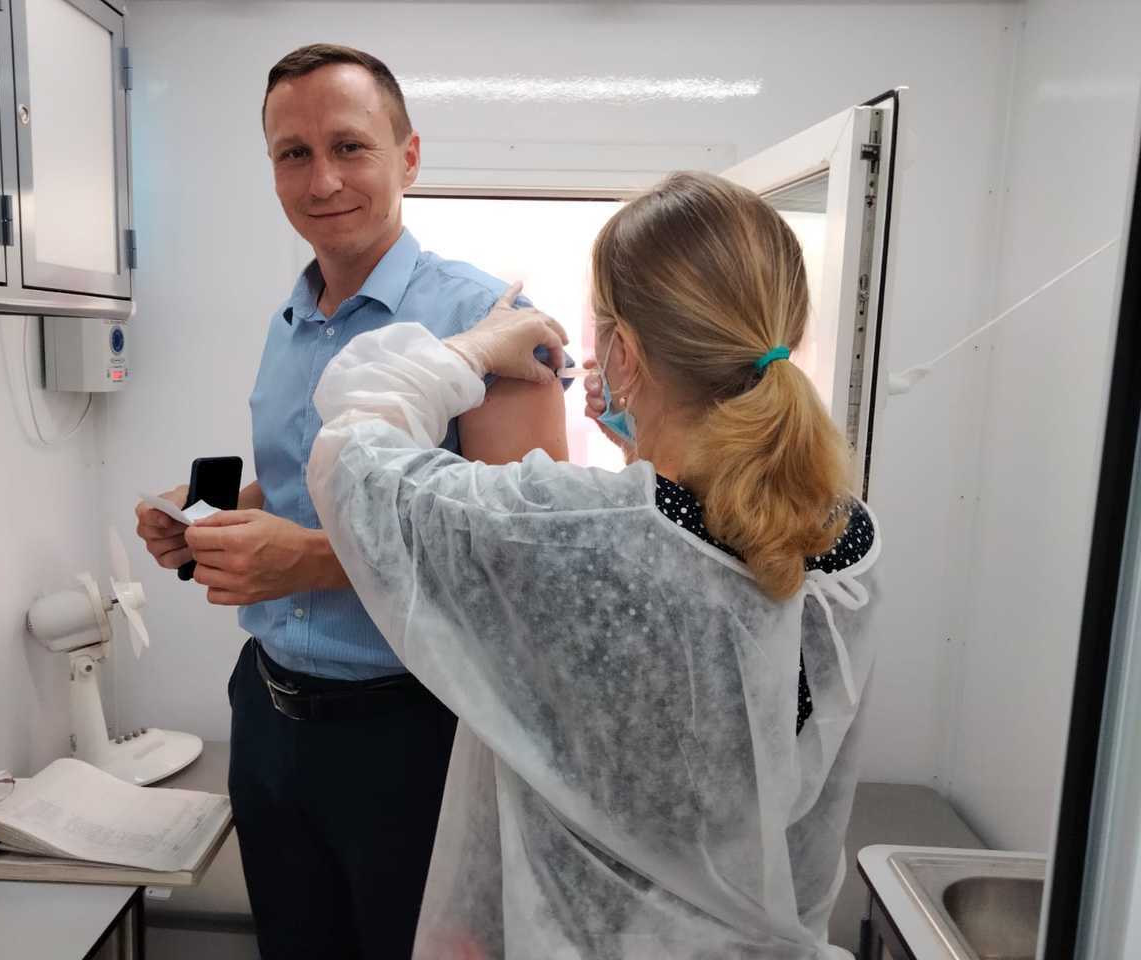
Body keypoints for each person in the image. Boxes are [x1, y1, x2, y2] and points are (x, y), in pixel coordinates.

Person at [306, 172, 881, 958]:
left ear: (625, 352)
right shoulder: (846, 536)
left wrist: (470, 350)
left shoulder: (570, 529)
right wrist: (651, 443)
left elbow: (351, 455)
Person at [134, 44, 567, 960]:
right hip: (270, 717)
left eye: (349, 146)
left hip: (414, 733)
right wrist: (215, 515)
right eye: (293, 154)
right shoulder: (292, 320)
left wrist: (306, 561)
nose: (322, 179)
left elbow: (522, 557)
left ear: (408, 157)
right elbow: (308, 485)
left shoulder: (487, 321)